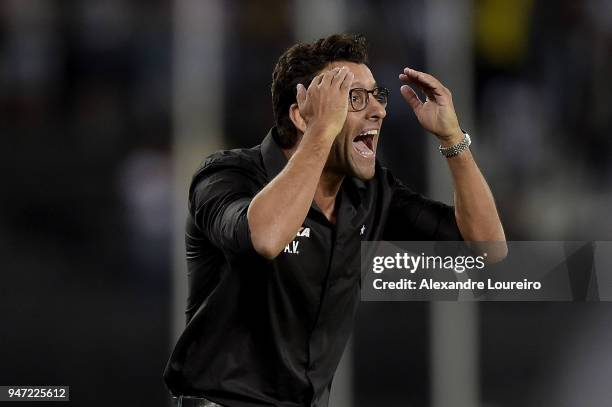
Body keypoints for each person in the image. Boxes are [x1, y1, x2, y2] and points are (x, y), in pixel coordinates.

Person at [164, 33, 506, 407]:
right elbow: (264, 236)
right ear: (300, 113)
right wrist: (322, 131)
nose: (379, 111)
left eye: (378, 96)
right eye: (353, 98)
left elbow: (486, 248)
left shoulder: (371, 194)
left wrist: (452, 138)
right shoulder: (227, 177)